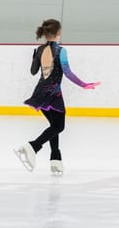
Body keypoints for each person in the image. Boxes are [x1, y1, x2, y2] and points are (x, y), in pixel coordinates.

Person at [14, 19, 100, 175]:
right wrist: (84, 84)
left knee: (54, 126)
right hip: (53, 94)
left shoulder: (39, 50)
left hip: (40, 92)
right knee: (59, 126)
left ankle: (56, 160)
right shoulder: (61, 51)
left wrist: (35, 57)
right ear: (58, 33)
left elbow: (33, 72)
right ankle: (32, 147)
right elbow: (67, 72)